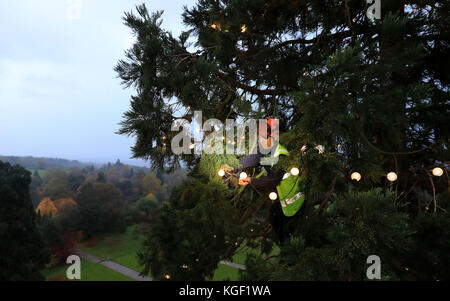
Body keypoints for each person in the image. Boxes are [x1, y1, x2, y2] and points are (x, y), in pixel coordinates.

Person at [237, 118, 307, 244]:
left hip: (295, 200)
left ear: (273, 137)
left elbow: (274, 179)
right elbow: (249, 160)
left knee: (290, 233)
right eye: (260, 136)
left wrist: (252, 181)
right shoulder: (264, 149)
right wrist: (236, 171)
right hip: (282, 200)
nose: (261, 139)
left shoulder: (281, 154)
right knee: (275, 221)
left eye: (264, 136)